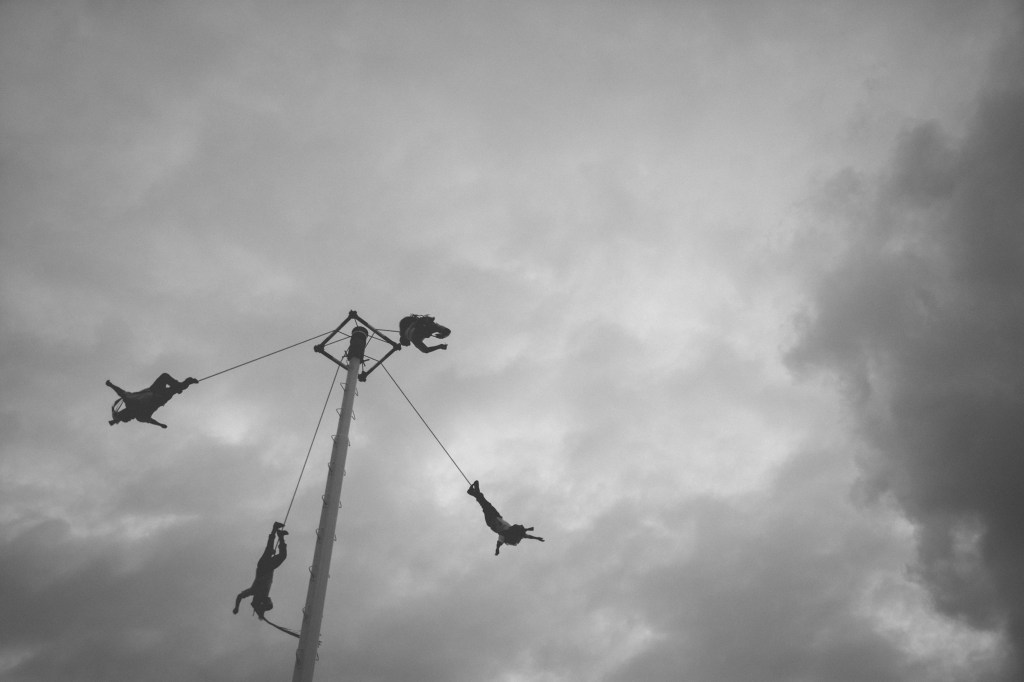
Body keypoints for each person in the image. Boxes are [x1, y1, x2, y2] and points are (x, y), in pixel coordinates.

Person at [467, 480, 544, 556]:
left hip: (492, 521)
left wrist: (497, 549)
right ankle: (474, 492)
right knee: (486, 504)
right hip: (497, 517)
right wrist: (537, 538)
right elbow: (528, 536)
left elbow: (499, 543)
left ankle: (474, 492)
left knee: (485, 505)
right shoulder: (515, 532)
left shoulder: (504, 535)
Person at [233, 522, 288, 620]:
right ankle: (280, 536)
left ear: (262, 602)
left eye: (267, 601)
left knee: (270, 548)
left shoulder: (254, 591)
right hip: (269, 567)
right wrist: (261, 614)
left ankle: (275, 529)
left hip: (263, 568)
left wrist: (237, 607)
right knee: (281, 554)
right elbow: (258, 606)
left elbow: (240, 596)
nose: (269, 599)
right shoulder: (264, 595)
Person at [105, 373, 198, 428]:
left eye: (129, 418)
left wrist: (111, 385)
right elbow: (151, 421)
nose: (131, 418)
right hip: (158, 396)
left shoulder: (132, 406)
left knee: (172, 384)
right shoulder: (137, 412)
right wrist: (160, 425)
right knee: (173, 384)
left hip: (156, 393)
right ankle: (185, 383)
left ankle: (184, 384)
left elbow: (120, 392)